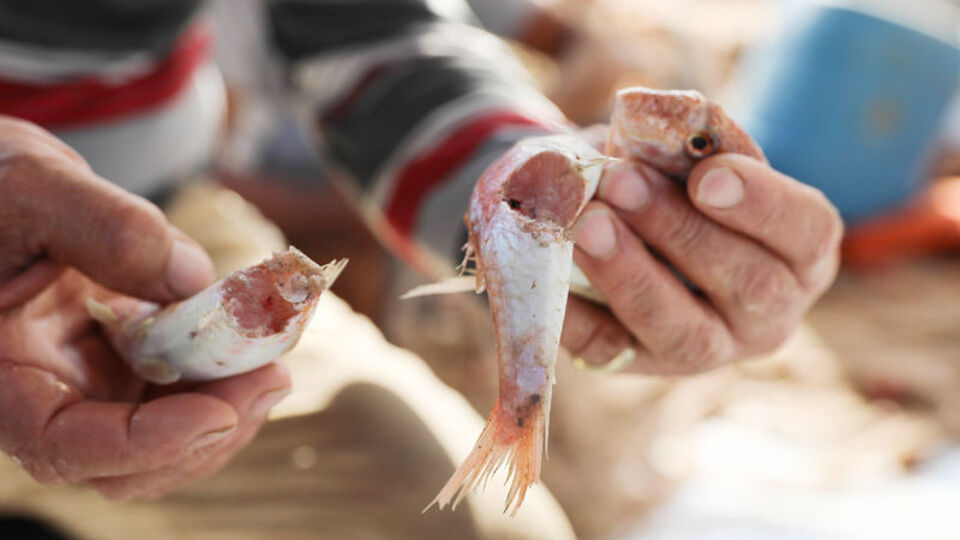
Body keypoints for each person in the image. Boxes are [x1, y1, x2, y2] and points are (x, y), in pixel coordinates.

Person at [0, 0, 841, 502]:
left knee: (450, 512)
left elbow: (370, 34)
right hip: (105, 233)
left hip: (165, 223)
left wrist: (537, 191)